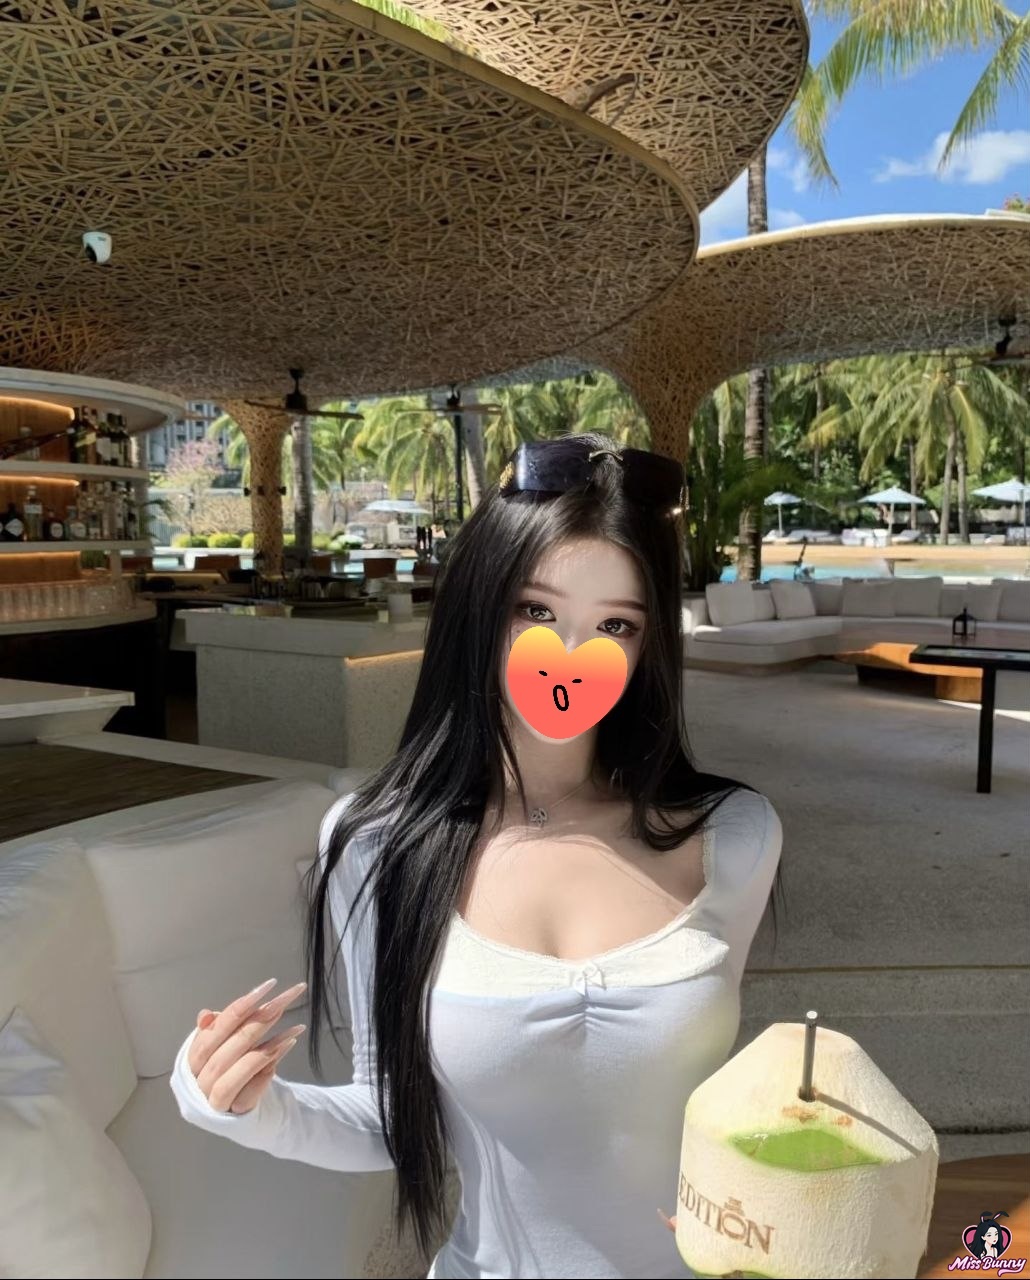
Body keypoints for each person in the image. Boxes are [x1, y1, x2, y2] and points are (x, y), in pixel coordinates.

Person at [169, 432, 786, 1280]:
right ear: (478, 609)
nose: (570, 653)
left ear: (649, 647)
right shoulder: (380, 842)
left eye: (615, 624)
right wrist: (240, 1105)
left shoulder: (735, 834)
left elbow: (707, 1104)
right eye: (535, 611)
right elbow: (392, 1117)